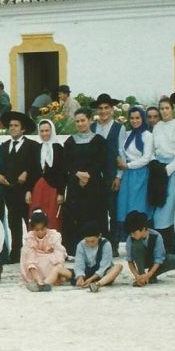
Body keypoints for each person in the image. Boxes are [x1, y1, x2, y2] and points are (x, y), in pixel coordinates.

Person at [0, 111, 38, 263]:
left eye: (16, 126)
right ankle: (16, 252)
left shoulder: (32, 146)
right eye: (11, 125)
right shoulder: (4, 146)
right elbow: (0, 167)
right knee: (13, 223)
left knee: (29, 222)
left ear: (23, 129)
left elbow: (37, 168)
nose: (12, 128)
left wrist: (27, 176)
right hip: (9, 190)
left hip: (25, 191)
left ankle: (34, 251)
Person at [62, 108, 107, 252]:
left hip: (94, 185)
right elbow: (66, 162)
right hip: (75, 185)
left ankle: (96, 247)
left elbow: (102, 161)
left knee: (94, 214)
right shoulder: (70, 141)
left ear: (90, 120)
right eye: (77, 121)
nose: (80, 124)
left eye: (83, 120)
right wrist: (78, 174)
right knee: (76, 215)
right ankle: (75, 249)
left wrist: (88, 175)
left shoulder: (99, 140)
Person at [149, 97, 175, 254]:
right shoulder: (157, 127)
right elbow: (151, 150)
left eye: (167, 108)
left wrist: (168, 169)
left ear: (172, 109)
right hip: (158, 169)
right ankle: (160, 245)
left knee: (170, 206)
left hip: (172, 169)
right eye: (162, 108)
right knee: (158, 206)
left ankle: (171, 245)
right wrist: (156, 166)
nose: (164, 111)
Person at [91, 93, 124, 252]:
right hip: (96, 176)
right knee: (98, 210)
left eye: (106, 108)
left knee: (113, 210)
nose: (103, 111)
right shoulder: (92, 127)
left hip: (112, 175)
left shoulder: (119, 128)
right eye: (101, 108)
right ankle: (102, 243)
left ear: (112, 109)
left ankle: (114, 244)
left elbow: (121, 154)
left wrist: (118, 176)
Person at [115, 106, 153, 240]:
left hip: (140, 174)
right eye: (132, 118)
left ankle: (141, 235)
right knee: (126, 205)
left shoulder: (147, 135)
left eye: (138, 118)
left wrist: (128, 165)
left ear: (142, 118)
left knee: (138, 205)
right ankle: (129, 237)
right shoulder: (128, 135)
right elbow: (123, 152)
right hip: (128, 174)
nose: (135, 121)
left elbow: (146, 158)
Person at [26, 118, 65, 232]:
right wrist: (28, 190)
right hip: (38, 188)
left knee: (52, 218)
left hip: (53, 189)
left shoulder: (59, 148)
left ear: (52, 131)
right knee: (37, 217)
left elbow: (62, 172)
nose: (44, 134)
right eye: (42, 131)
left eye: (47, 130)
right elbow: (31, 170)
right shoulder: (36, 148)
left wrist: (61, 193)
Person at [124, 210, 175, 286]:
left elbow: (158, 259)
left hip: (154, 261)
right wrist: (137, 276)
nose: (132, 235)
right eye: (130, 233)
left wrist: (149, 274)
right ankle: (142, 275)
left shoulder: (156, 236)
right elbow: (130, 260)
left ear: (143, 229)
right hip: (140, 261)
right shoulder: (130, 238)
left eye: (134, 233)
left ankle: (151, 276)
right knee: (136, 245)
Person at [20, 209, 70, 292]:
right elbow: (30, 258)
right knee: (24, 250)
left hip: (50, 263)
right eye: (37, 230)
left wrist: (59, 265)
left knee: (56, 265)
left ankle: (47, 282)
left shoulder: (54, 235)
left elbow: (59, 253)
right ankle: (39, 282)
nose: (40, 232)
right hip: (36, 263)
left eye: (42, 229)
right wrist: (37, 278)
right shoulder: (30, 237)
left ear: (46, 226)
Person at [72, 221, 122, 292]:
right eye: (87, 241)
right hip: (87, 273)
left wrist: (92, 279)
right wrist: (80, 277)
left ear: (99, 236)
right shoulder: (81, 245)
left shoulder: (106, 244)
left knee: (118, 267)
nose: (89, 244)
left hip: (103, 275)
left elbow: (104, 266)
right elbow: (79, 264)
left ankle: (97, 284)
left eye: (93, 241)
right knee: (61, 270)